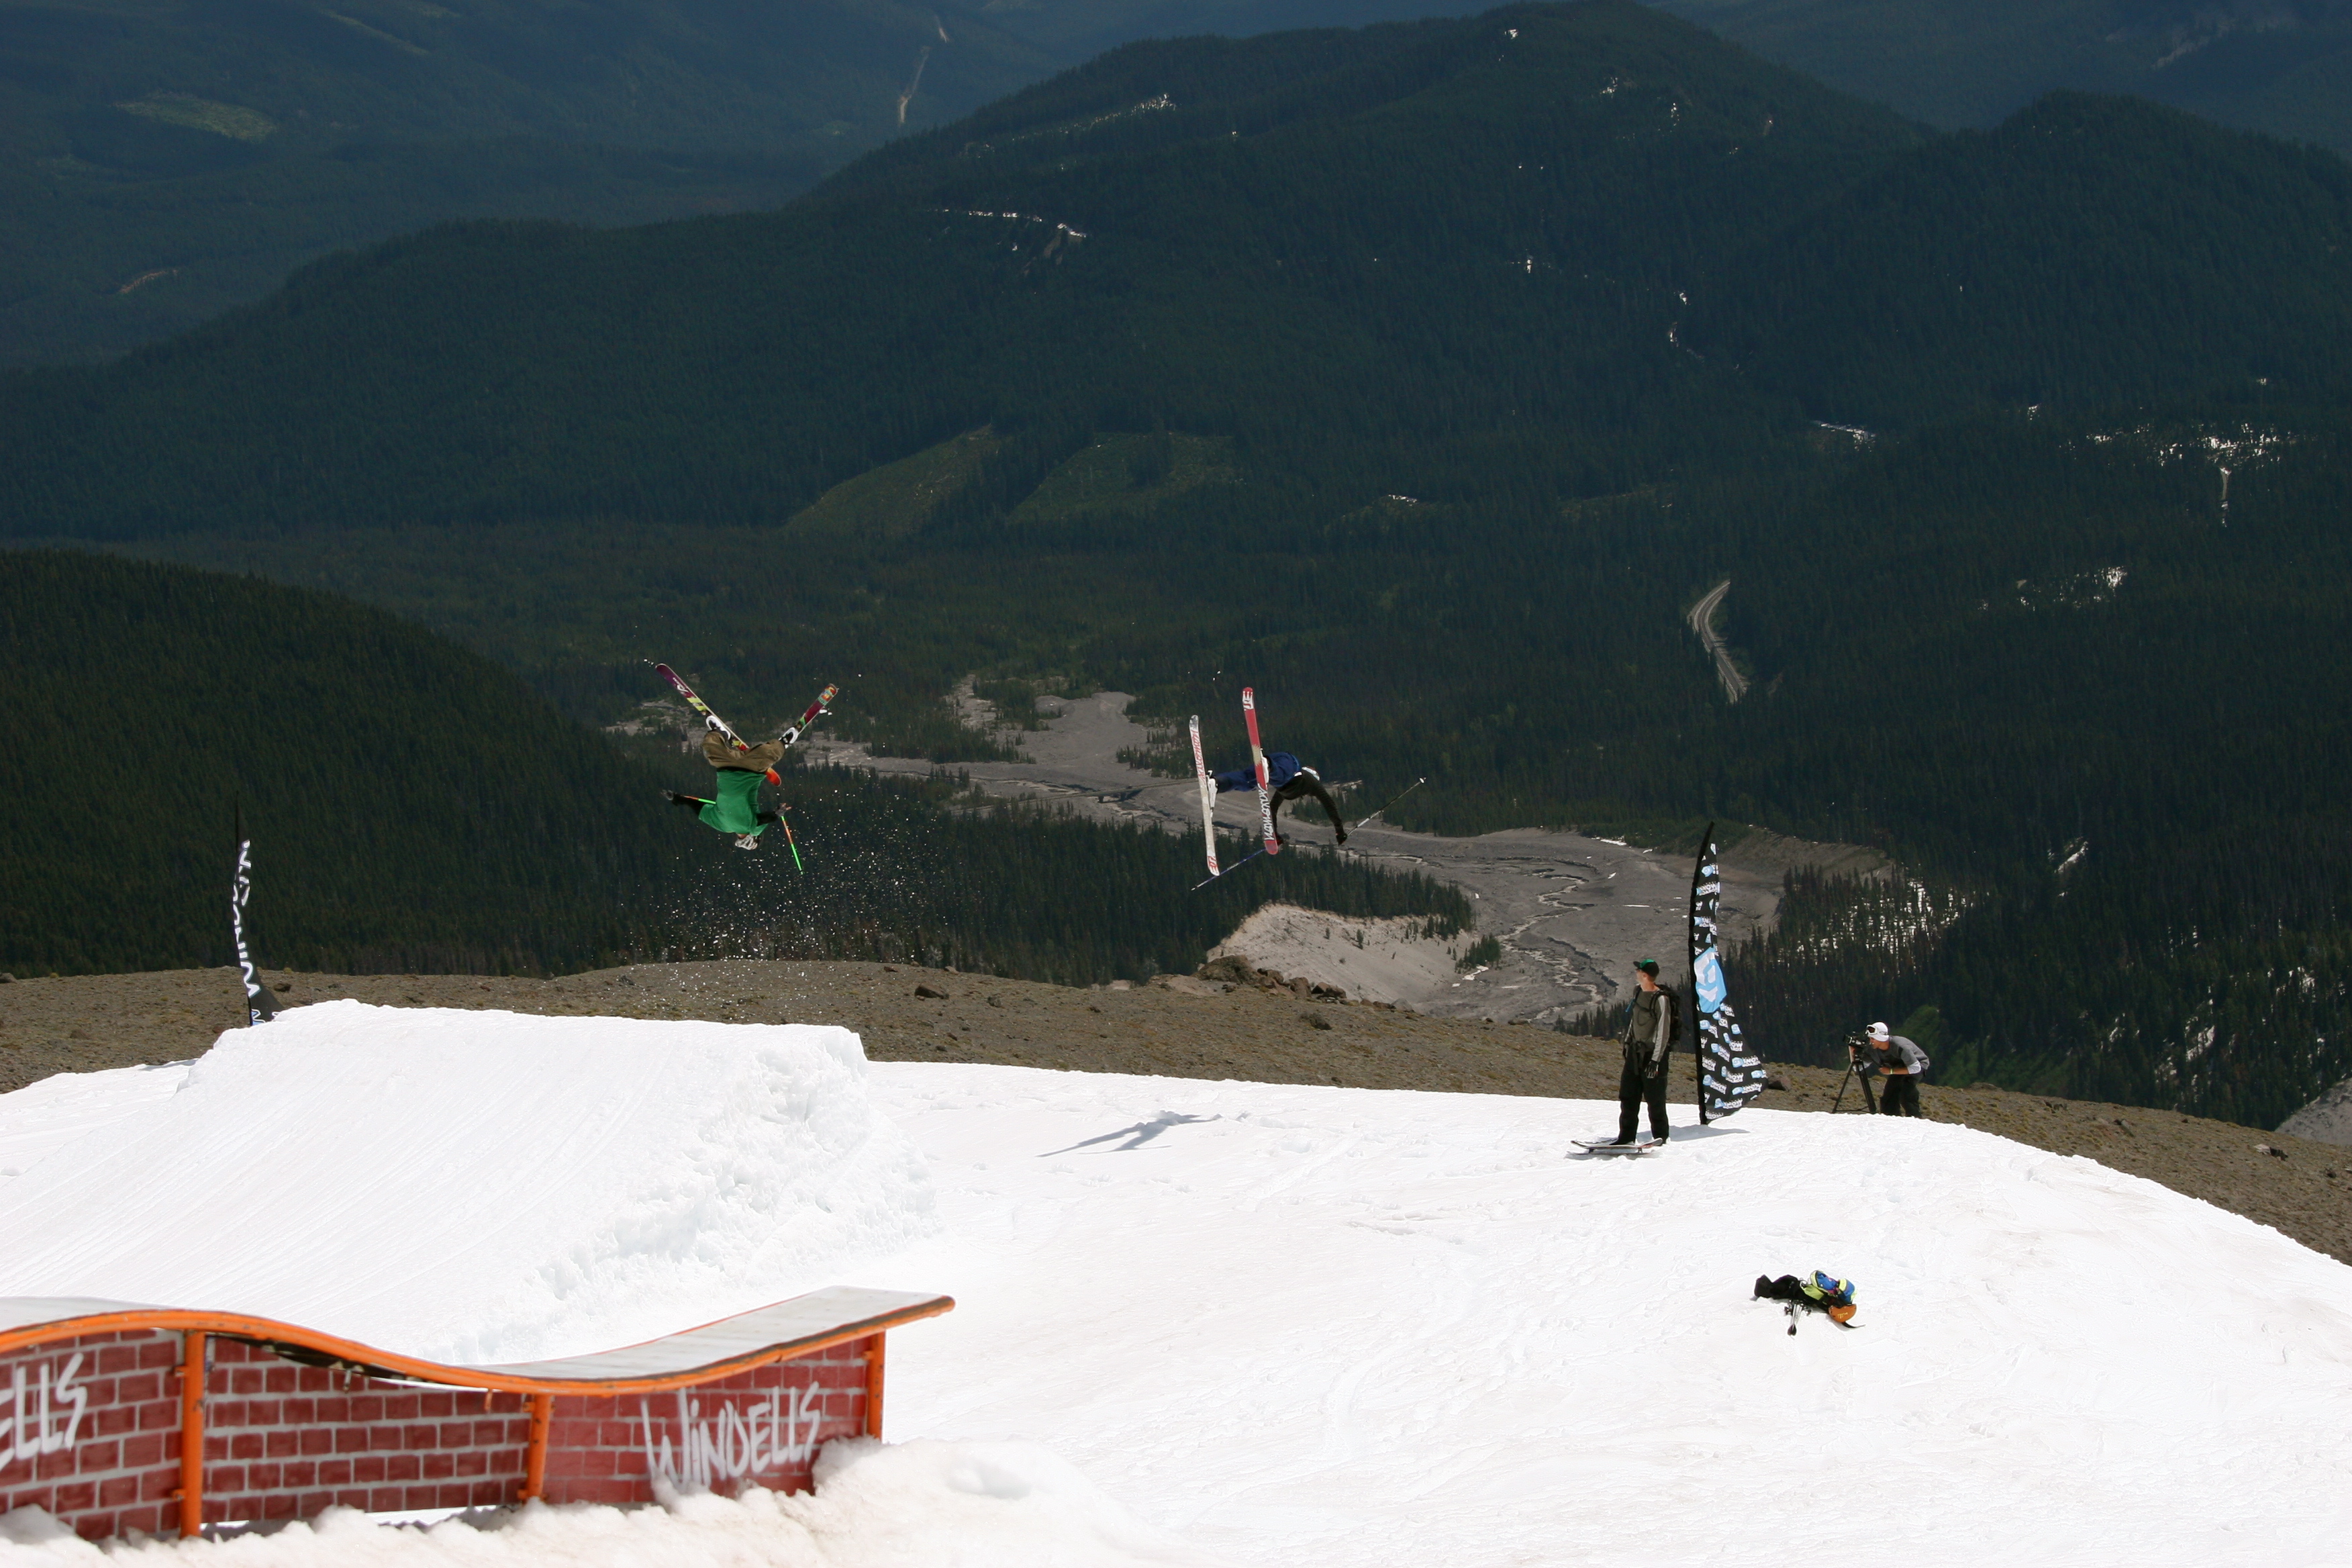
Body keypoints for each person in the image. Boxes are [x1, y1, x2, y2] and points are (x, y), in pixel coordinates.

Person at [665, 731, 786, 849]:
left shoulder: (752, 830)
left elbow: (763, 821)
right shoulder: (721, 826)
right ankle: (718, 734)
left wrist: (776, 814)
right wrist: (677, 798)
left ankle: (782, 744)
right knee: (711, 747)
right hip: (725, 767)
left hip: (751, 770)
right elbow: (698, 806)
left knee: (771, 753)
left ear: (754, 837)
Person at [1212, 751, 1349, 844]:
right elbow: (1329, 804)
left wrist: (1274, 834)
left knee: (1248, 781)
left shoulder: (1285, 790)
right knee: (1281, 776)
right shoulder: (1312, 782)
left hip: (1280, 763)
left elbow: (1272, 808)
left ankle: (1217, 783)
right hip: (1288, 763)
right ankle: (1269, 764)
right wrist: (1339, 831)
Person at [1612, 959, 1679, 1145]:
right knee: (1628, 1097)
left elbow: (1663, 1032)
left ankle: (1660, 1138)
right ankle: (1626, 1137)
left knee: (1655, 1100)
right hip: (1635, 1052)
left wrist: (1655, 1061)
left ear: (1645, 975)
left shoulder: (1661, 999)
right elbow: (1635, 1018)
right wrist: (1627, 1043)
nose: (1636, 973)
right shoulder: (1638, 991)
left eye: (1639, 970)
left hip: (1653, 1056)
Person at [1864, 1020, 1929, 1116]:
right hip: (1898, 1067)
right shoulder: (1873, 1050)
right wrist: (1853, 1053)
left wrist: (1891, 1071)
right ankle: (1891, 1120)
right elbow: (1860, 1067)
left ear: (1880, 1038)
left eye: (1873, 1038)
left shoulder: (1900, 1046)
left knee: (1906, 1092)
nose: (1871, 1041)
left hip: (1917, 1065)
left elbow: (1915, 1068)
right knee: (1889, 1096)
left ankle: (1915, 1120)